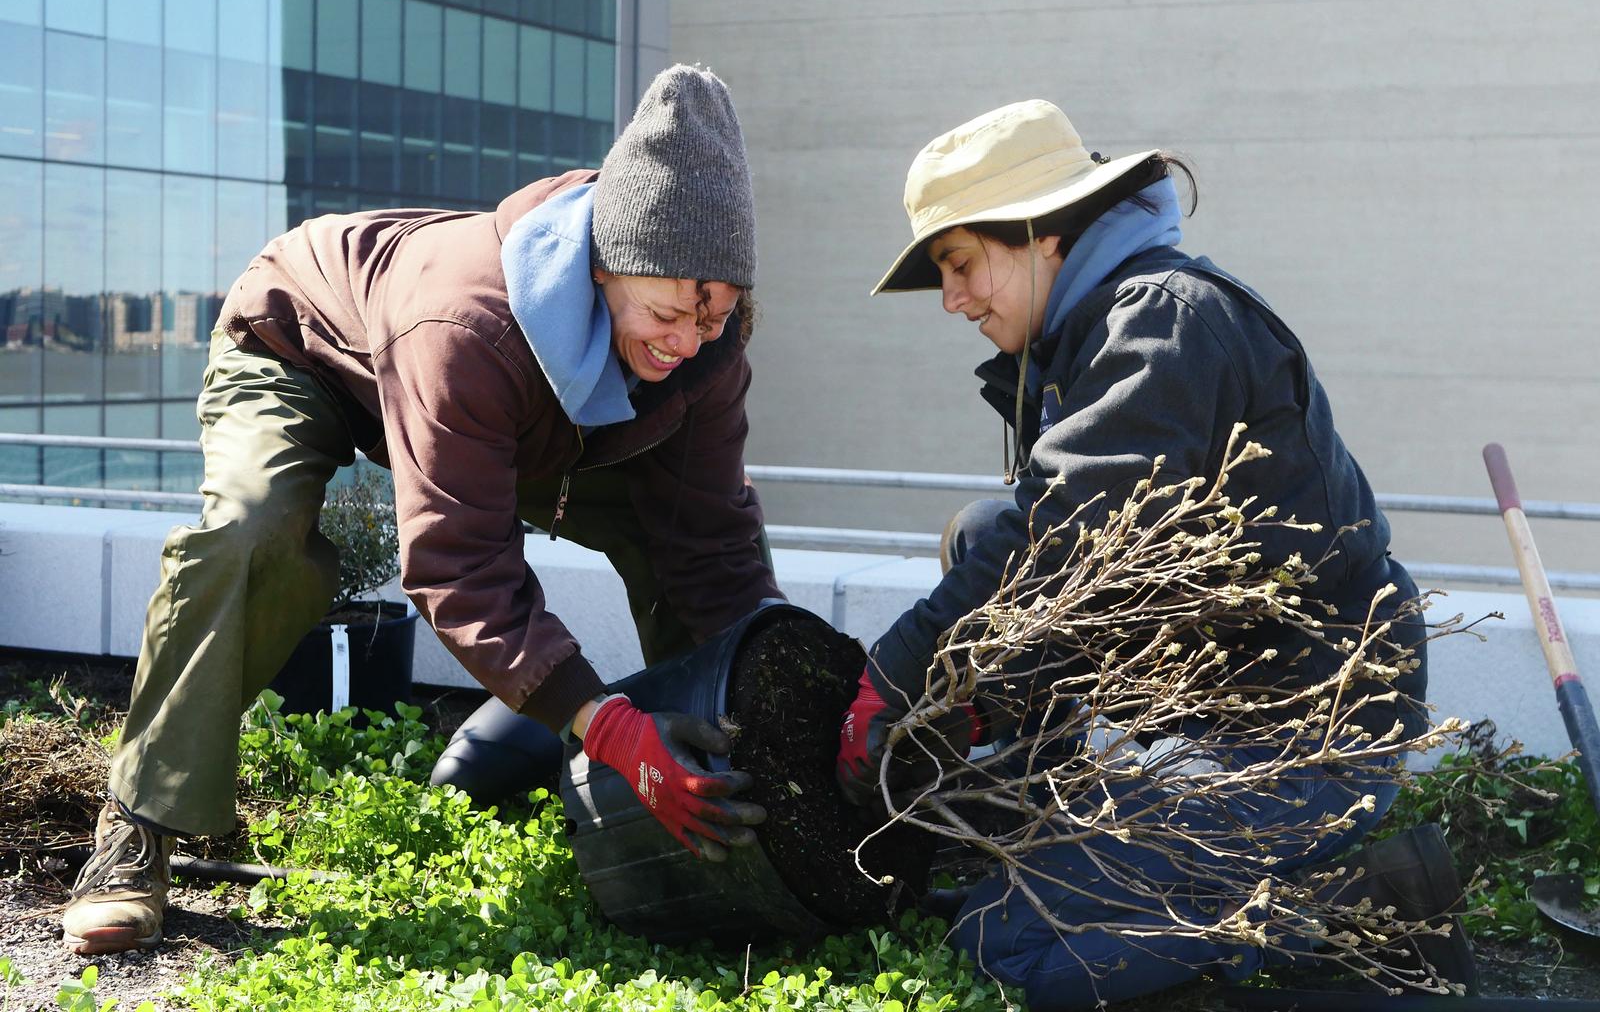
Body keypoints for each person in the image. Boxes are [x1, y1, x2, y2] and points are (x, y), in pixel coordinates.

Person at [62, 64, 780, 955]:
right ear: (607, 263)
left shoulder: (704, 354)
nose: (686, 342)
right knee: (255, 531)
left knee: (673, 540)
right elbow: (459, 562)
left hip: (526, 417)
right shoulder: (464, 324)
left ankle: (744, 807)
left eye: (711, 320)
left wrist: (801, 687)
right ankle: (138, 826)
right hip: (307, 347)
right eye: (669, 313)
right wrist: (607, 726)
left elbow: (712, 541)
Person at [834, 100, 1476, 1008]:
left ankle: (1366, 905)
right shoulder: (1094, 336)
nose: (953, 299)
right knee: (981, 533)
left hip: (1302, 740)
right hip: (1212, 709)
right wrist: (981, 707)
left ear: (1042, 236)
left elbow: (1057, 537)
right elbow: (1087, 583)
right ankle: (1063, 825)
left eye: (962, 263)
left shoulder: (1159, 326)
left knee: (1010, 945)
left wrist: (895, 674)